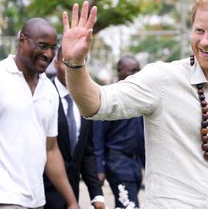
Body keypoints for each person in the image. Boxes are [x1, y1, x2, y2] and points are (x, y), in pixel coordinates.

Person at [61, 0, 208, 208]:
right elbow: (96, 103)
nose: (205, 42)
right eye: (199, 31)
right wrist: (75, 64)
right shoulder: (162, 79)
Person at [0, 18, 79, 208]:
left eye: (53, 47)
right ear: (22, 40)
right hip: (5, 198)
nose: (49, 54)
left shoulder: (49, 89)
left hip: (37, 201)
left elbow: (50, 149)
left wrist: (71, 201)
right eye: (43, 45)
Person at [43, 46, 105, 209]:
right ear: (56, 63)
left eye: (80, 62)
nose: (73, 67)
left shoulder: (85, 101)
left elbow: (87, 152)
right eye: (66, 62)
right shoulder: (42, 96)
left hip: (73, 200)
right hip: (42, 197)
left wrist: (96, 194)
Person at [93, 55, 145, 208]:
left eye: (138, 70)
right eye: (132, 70)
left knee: (127, 204)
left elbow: (143, 135)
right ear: (120, 71)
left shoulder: (141, 97)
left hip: (135, 163)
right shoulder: (110, 97)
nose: (136, 74)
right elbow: (98, 137)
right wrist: (99, 168)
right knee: (129, 205)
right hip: (118, 162)